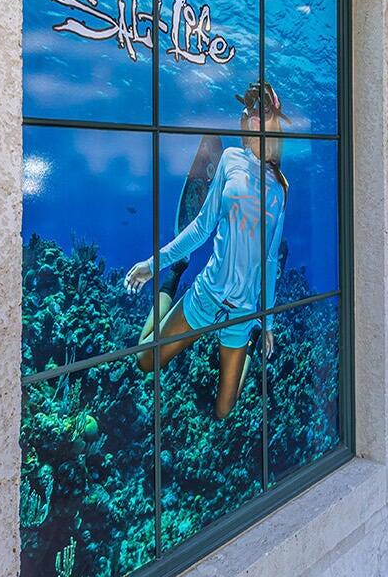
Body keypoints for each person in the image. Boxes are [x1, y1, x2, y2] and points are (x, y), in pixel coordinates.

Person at [124, 81, 289, 417]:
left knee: (224, 412)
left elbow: (270, 259)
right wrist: (154, 263)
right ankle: (174, 278)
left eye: (262, 109)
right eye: (248, 108)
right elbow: (201, 226)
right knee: (144, 361)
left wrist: (266, 321)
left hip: (242, 314)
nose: (252, 114)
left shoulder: (280, 189)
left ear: (274, 119)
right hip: (206, 296)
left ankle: (251, 338)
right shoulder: (229, 160)